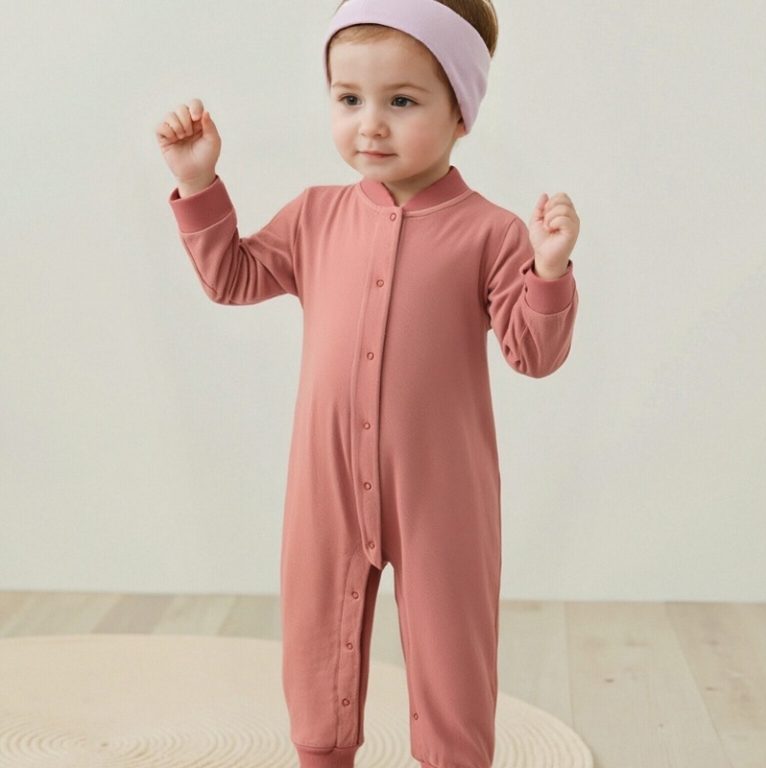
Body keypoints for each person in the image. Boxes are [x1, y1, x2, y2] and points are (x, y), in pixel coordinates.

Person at [156, 0, 580, 766]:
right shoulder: (315, 216)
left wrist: (548, 271)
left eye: (402, 102)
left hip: (442, 489)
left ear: (461, 114)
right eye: (349, 99)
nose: (370, 125)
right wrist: (199, 181)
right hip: (324, 481)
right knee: (316, 636)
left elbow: (533, 353)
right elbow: (232, 277)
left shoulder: (491, 232)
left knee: (453, 649)